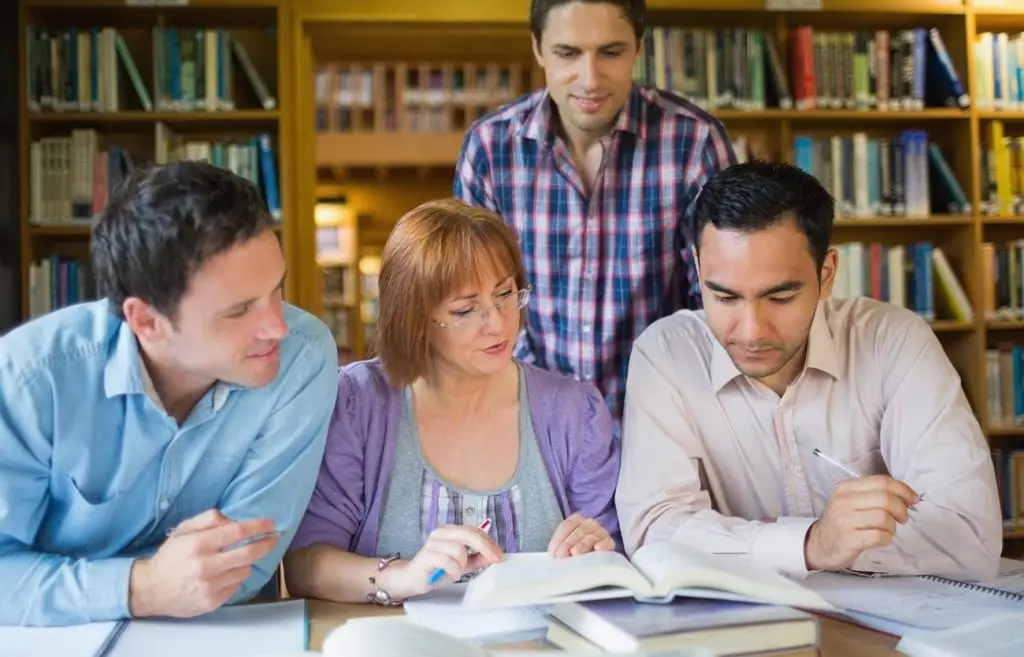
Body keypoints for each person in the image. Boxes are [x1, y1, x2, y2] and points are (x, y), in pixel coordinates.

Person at [615, 160, 1003, 582]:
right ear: (698, 269)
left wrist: (750, 545)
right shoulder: (666, 355)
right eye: (724, 297)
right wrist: (814, 545)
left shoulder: (894, 342)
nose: (751, 331)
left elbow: (969, 536)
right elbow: (654, 533)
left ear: (827, 274)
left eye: (779, 297)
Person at [0, 161, 338, 626]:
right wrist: (143, 586)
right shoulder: (27, 380)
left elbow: (242, 566)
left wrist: (69, 583)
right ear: (146, 322)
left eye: (277, 289)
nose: (278, 326)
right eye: (239, 310)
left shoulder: (302, 358)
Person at [283, 198, 620, 605]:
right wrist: (405, 575)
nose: (497, 323)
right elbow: (304, 566)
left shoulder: (573, 413)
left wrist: (597, 549)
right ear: (413, 316)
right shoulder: (359, 403)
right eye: (465, 310)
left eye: (506, 294)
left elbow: (613, 556)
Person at [453, 0, 737, 425]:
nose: (589, 79)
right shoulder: (489, 150)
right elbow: (473, 308)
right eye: (568, 53)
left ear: (639, 48)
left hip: (665, 425)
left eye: (611, 52)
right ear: (538, 49)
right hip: (526, 425)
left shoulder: (694, 143)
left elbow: (718, 303)